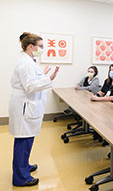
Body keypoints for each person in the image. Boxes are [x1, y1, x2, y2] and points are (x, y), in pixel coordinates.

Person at [9, 32, 59, 186]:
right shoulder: (25, 63)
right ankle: (20, 177)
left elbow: (32, 79)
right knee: (23, 140)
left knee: (27, 139)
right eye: (41, 46)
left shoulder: (30, 61)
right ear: (31, 46)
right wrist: (48, 79)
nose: (42, 49)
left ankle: (24, 166)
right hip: (25, 106)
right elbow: (29, 86)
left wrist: (43, 75)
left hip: (28, 106)